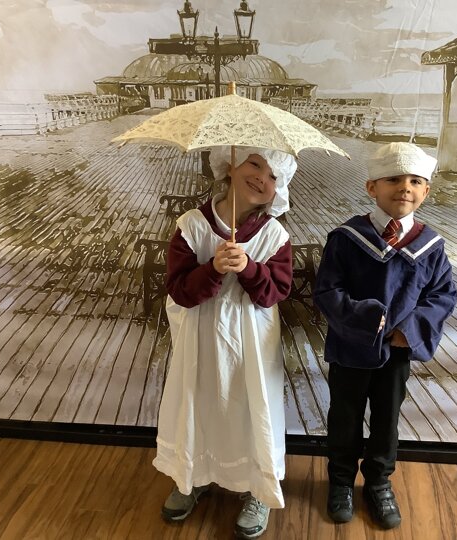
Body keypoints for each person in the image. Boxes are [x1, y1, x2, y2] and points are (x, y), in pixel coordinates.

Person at [153, 145, 297, 539]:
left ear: (278, 189)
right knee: (199, 402)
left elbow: (275, 292)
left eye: (273, 176)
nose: (261, 177)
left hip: (251, 342)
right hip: (200, 336)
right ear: (229, 166)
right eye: (254, 163)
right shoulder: (192, 226)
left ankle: (258, 487)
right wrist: (213, 269)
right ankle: (192, 474)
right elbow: (180, 289)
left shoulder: (274, 235)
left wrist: (249, 268)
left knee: (252, 407)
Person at [313, 142, 457, 529]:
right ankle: (341, 481)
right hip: (350, 348)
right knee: (344, 417)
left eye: (415, 181)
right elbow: (327, 291)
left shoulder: (430, 247)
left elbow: (442, 295)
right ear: (372, 187)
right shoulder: (347, 238)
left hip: (396, 352)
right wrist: (368, 319)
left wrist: (408, 331)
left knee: (386, 420)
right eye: (393, 179)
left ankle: (378, 482)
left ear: (426, 191)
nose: (405, 187)